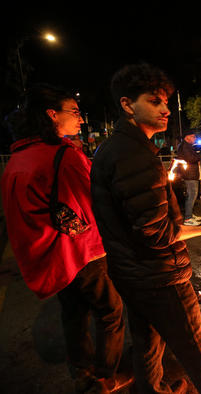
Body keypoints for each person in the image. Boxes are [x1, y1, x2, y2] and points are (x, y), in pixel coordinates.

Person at [91, 64, 201, 394]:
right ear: (128, 104)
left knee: (147, 339)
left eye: (166, 102)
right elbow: (156, 234)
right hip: (158, 275)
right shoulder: (133, 155)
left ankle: (151, 390)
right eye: (154, 101)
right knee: (195, 346)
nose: (165, 110)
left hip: (130, 272)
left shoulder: (115, 147)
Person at [1, 85, 131, 394]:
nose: (82, 120)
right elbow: (95, 207)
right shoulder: (63, 155)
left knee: (74, 313)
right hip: (82, 254)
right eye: (75, 112)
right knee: (111, 312)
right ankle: (105, 377)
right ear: (52, 115)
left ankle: (81, 367)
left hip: (51, 260)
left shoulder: (18, 158)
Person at [177, 129, 201, 226]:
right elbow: (191, 158)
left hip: (191, 174)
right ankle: (188, 218)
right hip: (189, 175)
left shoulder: (187, 146)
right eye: (193, 136)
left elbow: (193, 156)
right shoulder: (184, 146)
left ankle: (189, 215)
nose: (195, 138)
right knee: (192, 195)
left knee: (192, 195)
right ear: (187, 137)